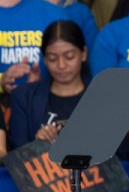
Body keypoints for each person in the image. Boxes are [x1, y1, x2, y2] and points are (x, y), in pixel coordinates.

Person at [8, 20, 88, 150]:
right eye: (52, 58)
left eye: (69, 56)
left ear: (83, 54)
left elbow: (119, 155)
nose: (61, 65)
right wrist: (37, 146)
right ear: (44, 59)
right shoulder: (24, 97)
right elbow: (16, 155)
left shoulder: (104, 97)